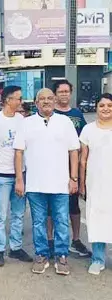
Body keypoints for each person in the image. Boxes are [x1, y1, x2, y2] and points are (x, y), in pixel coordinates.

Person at [13, 88, 79, 276]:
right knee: (38, 222)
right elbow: (18, 152)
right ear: (36, 103)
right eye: (42, 99)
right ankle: (41, 255)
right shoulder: (26, 123)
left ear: (55, 101)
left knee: (61, 221)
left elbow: (73, 151)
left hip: (60, 184)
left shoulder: (65, 122)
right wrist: (19, 179)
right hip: (35, 184)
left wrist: (73, 178)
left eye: (50, 98)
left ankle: (61, 256)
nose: (46, 101)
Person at [0, 86, 32, 267]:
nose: (20, 102)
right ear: (7, 100)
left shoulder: (22, 120)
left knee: (18, 213)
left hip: (20, 174)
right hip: (0, 175)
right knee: (0, 214)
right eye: (18, 99)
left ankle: (16, 247)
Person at [50, 79, 90, 258]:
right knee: (51, 206)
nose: (64, 94)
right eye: (61, 91)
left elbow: (83, 142)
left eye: (67, 91)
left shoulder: (77, 114)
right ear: (55, 94)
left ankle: (75, 240)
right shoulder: (49, 113)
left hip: (72, 169)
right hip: (53, 167)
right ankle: (50, 240)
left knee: (74, 205)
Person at [79, 93, 112, 275]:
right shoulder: (88, 130)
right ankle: (98, 259)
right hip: (96, 183)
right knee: (97, 220)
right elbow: (83, 160)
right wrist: (82, 183)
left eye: (109, 105)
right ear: (96, 108)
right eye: (102, 105)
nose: (106, 108)